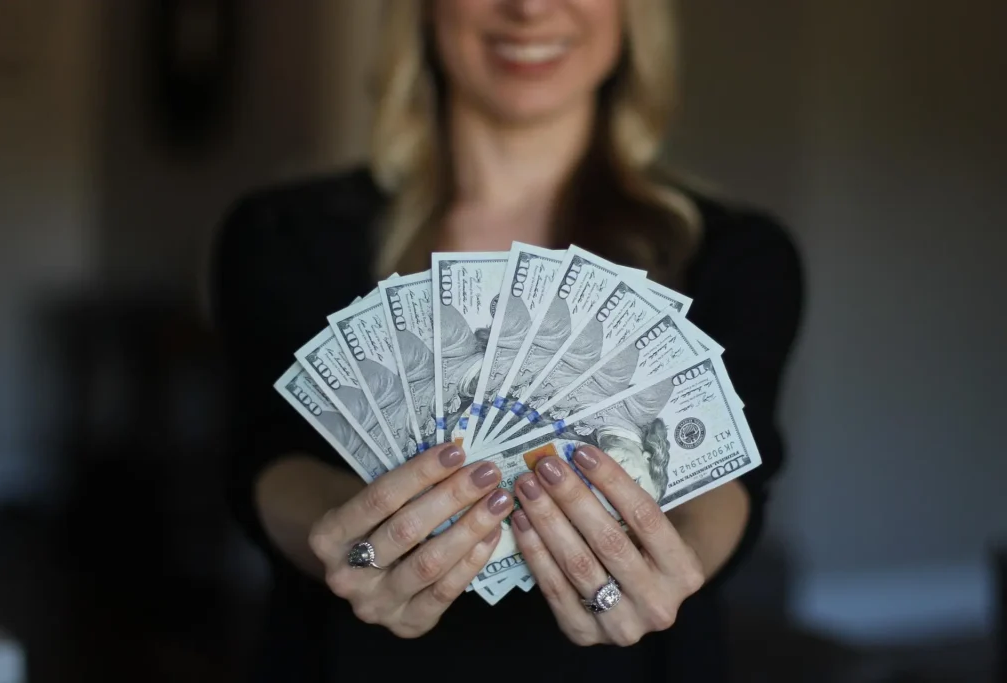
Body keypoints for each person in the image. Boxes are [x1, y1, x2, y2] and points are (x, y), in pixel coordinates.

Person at [210, 1, 803, 681]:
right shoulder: (284, 233)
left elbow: (733, 474)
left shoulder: (736, 254)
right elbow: (266, 456)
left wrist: (676, 558)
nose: (528, 7)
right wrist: (350, 538)